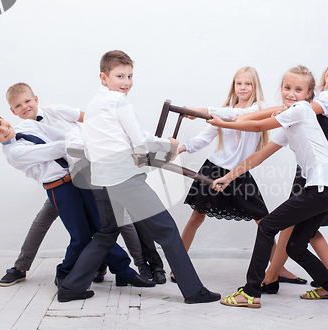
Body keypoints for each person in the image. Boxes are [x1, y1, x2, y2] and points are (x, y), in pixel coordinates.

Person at [57, 50, 220, 304]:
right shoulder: (119, 102)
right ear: (104, 77)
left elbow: (115, 139)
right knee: (167, 231)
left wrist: (160, 144)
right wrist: (168, 144)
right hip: (124, 180)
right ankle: (194, 291)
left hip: (101, 181)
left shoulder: (93, 105)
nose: (126, 82)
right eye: (119, 76)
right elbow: (139, 141)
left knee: (106, 233)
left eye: (130, 76)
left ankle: (71, 287)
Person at [208, 65, 328, 308]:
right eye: (287, 88)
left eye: (299, 89)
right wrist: (229, 177)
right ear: (281, 89)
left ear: (309, 94)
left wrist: (225, 124)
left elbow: (260, 126)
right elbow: (261, 155)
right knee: (295, 245)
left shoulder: (301, 110)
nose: (291, 94)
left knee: (267, 226)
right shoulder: (291, 122)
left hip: (322, 186)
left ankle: (251, 293)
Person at [0, 110, 152, 293]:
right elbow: (52, 149)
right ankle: (64, 273)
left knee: (102, 228)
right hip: (59, 188)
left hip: (78, 177)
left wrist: (81, 145)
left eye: (0, 123)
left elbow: (62, 136)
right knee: (80, 236)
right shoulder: (14, 153)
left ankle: (124, 271)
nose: (3, 130)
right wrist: (83, 142)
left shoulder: (28, 125)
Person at [239, 51, 328, 294]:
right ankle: (316, 279)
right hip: (310, 171)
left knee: (293, 228)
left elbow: (295, 110)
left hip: (317, 175)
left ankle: (273, 278)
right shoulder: (319, 94)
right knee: (302, 231)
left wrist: (239, 117)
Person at [173, 67, 303, 284]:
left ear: (255, 86)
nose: (243, 88)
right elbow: (204, 138)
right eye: (238, 83)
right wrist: (182, 148)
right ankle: (178, 265)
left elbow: (240, 116)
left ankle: (278, 269)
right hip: (214, 169)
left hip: (239, 174)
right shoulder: (224, 110)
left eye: (248, 84)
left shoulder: (258, 109)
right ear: (234, 86)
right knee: (197, 217)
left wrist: (200, 110)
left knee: (264, 221)